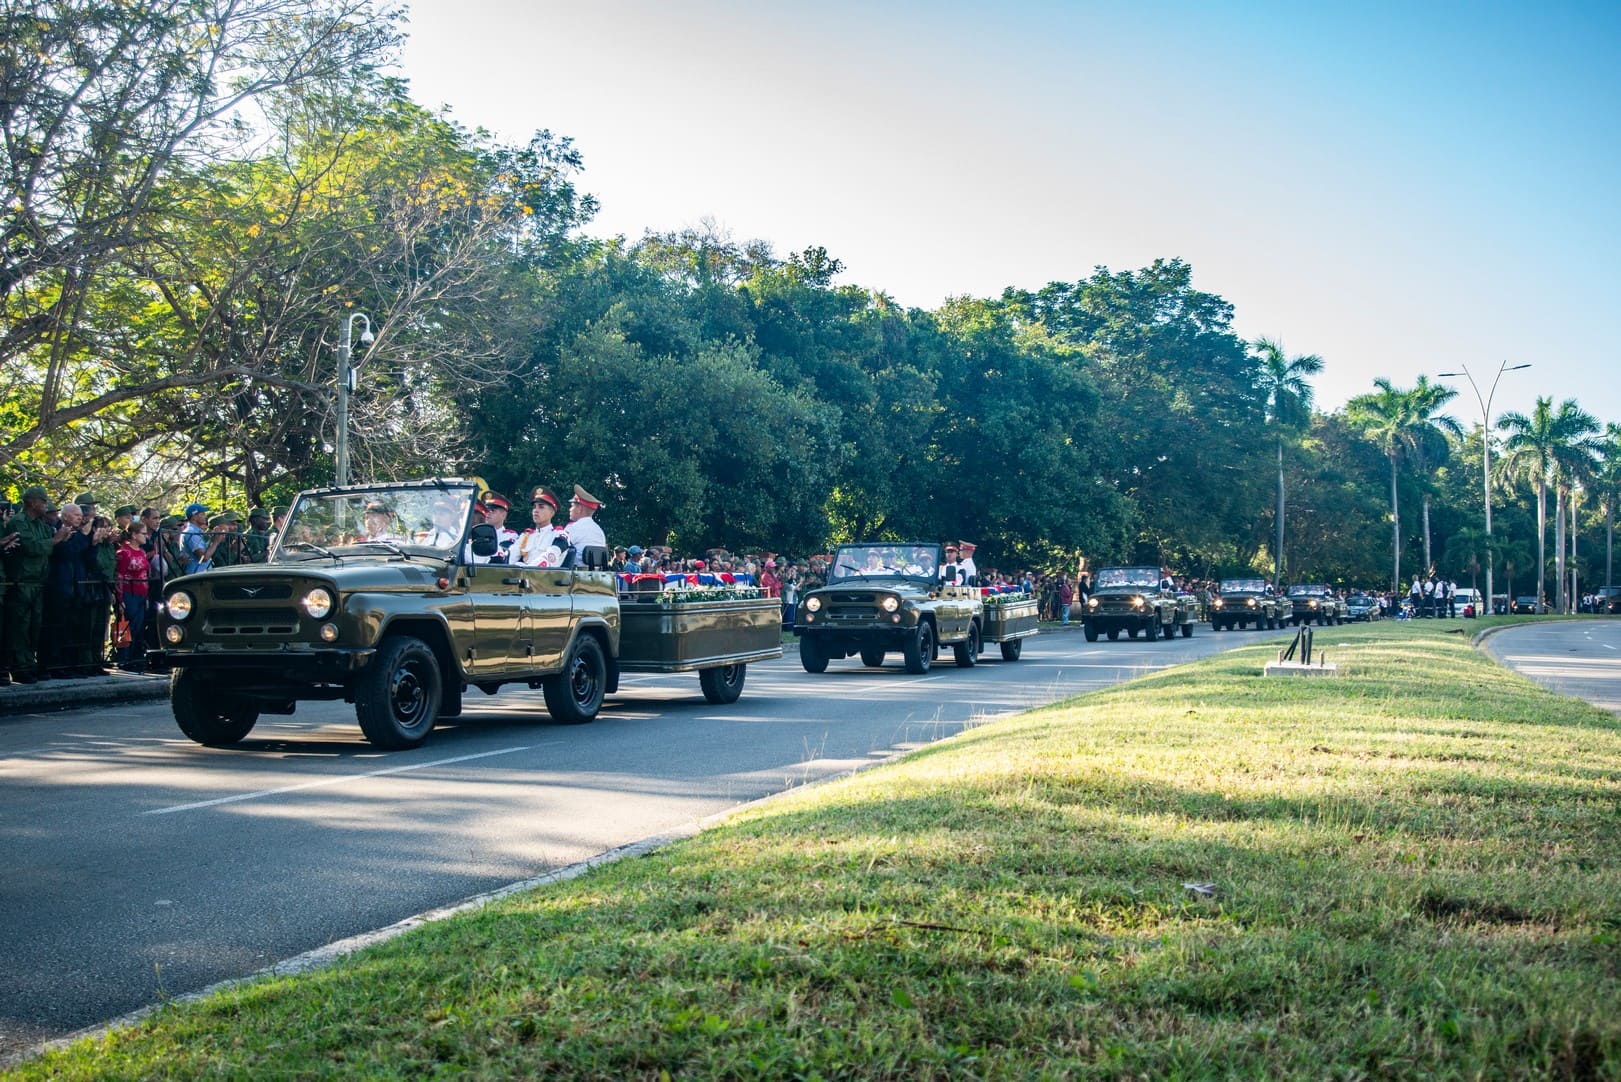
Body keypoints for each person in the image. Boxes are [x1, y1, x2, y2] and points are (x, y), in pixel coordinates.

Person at [2, 486, 59, 684]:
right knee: (19, 627)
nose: (45, 504)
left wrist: (50, 542)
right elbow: (31, 546)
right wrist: (54, 541)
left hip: (37, 582)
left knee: (34, 626)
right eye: (43, 501)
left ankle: (29, 663)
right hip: (21, 582)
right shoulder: (19, 522)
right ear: (33, 502)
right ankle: (20, 668)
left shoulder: (41, 524)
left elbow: (45, 547)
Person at [115, 522, 151, 671]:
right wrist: (120, 598)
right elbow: (119, 576)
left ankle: (136, 657)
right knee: (126, 625)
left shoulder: (142, 552)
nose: (146, 536)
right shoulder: (124, 552)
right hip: (129, 593)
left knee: (138, 627)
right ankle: (123, 658)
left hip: (142, 593)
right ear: (134, 535)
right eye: (143, 533)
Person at [515, 487, 567, 567]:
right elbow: (510, 557)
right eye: (534, 507)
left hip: (546, 577)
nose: (536, 510)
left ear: (552, 512)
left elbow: (550, 556)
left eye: (541, 507)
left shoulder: (559, 535)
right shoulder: (525, 536)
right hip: (522, 576)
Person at [560, 484, 606, 562]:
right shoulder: (600, 532)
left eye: (572, 506)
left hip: (574, 573)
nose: (570, 509)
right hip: (596, 573)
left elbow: (557, 549)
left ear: (579, 509)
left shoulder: (573, 528)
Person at [180, 502, 223, 573]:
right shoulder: (191, 532)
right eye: (202, 514)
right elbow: (204, 557)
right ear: (194, 517)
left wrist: (212, 540)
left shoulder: (196, 531)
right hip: (196, 575)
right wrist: (216, 542)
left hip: (201, 573)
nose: (205, 516)